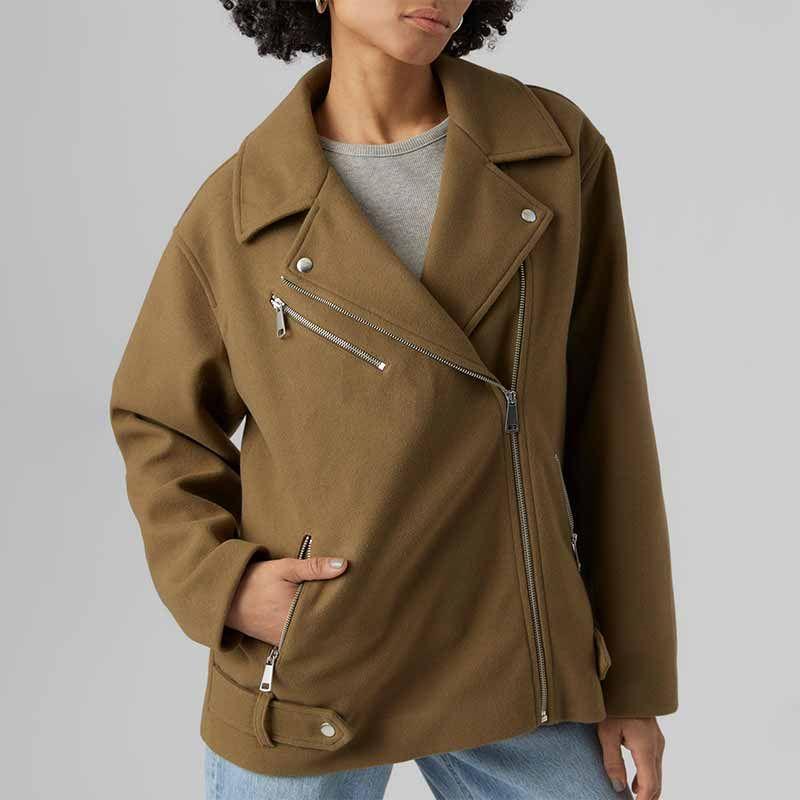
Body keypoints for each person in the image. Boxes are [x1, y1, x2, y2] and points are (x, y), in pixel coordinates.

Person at [109, 1, 678, 798]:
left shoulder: (552, 148)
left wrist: (635, 682)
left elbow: (608, 422)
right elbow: (158, 420)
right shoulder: (242, 208)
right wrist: (226, 586)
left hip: (514, 658)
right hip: (319, 668)